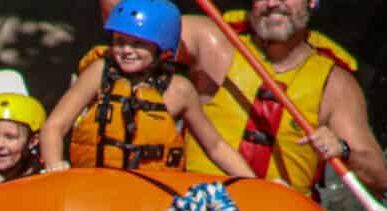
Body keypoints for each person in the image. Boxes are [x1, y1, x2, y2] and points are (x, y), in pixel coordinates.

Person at [174, 0, 387, 196]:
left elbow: (378, 179)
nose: (272, 3)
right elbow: (143, 30)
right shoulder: (210, 40)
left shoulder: (335, 84)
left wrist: (343, 150)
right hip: (197, 201)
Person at [41, 0, 254, 178]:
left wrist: (252, 181)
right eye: (120, 41)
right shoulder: (99, 73)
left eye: (138, 44)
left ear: (162, 48)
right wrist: (54, 166)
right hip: (97, 186)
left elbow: (215, 146)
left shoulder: (179, 90)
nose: (126, 50)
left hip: (151, 194)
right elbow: (55, 126)